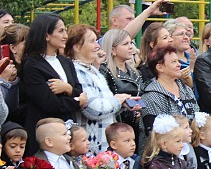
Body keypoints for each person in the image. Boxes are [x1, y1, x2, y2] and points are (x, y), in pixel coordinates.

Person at [20, 14, 87, 156]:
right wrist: (77, 101)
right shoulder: (32, 65)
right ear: (46, 36)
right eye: (60, 31)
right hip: (46, 133)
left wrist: (67, 89)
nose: (65, 35)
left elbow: (78, 89)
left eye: (65, 30)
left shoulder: (66, 62)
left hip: (68, 130)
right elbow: (50, 103)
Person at [66, 25, 129, 154]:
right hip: (91, 148)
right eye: (92, 41)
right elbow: (93, 109)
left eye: (97, 41)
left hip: (103, 146)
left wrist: (124, 104)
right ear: (77, 46)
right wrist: (117, 101)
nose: (97, 46)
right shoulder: (77, 71)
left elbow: (106, 106)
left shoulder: (93, 70)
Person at [140, 46, 199, 144]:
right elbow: (155, 134)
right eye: (174, 62)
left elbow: (197, 119)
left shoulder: (186, 89)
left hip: (190, 148)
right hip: (163, 154)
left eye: (178, 61)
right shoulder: (150, 96)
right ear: (160, 67)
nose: (179, 65)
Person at [100, 29, 145, 137]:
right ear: (113, 50)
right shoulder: (103, 71)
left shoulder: (136, 72)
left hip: (136, 127)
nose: (131, 47)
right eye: (125, 44)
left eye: (131, 43)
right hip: (115, 128)